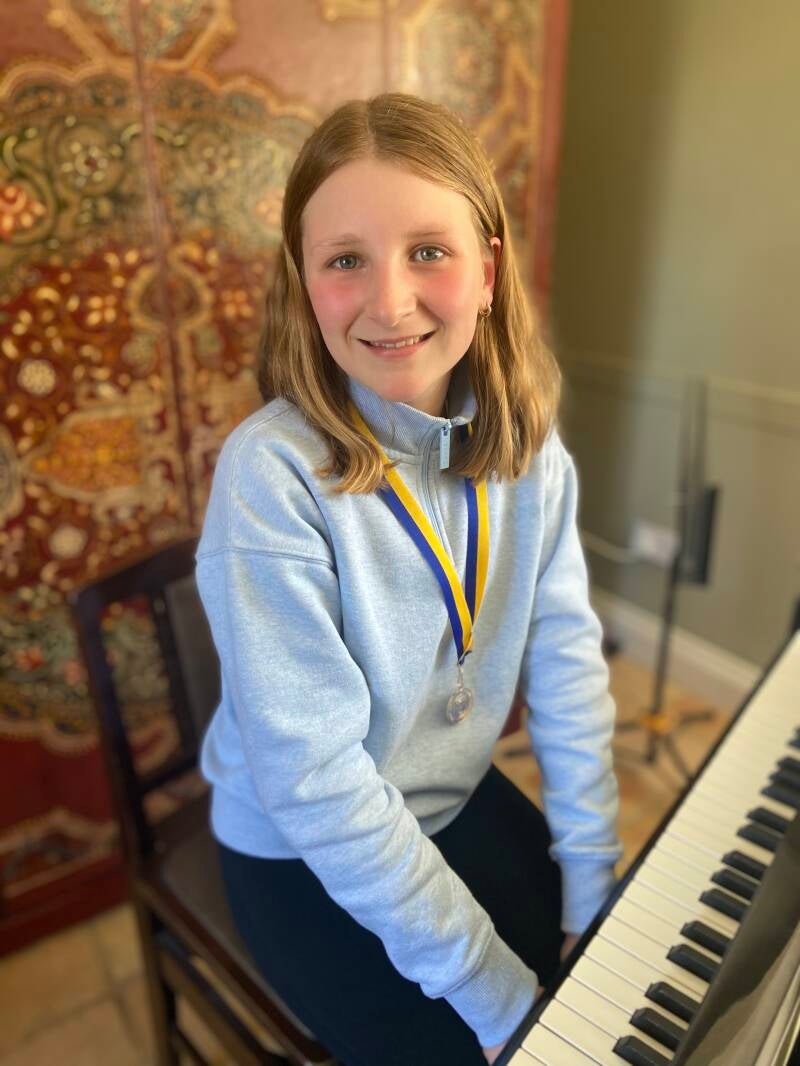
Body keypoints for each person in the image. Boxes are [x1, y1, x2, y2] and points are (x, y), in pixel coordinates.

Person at [196, 92, 621, 1066]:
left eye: (428, 250)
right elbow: (317, 783)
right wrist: (498, 997)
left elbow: (563, 661)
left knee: (605, 985)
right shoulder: (270, 475)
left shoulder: (527, 445)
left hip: (452, 796)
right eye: (345, 259)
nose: (389, 302)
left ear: (488, 270)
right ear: (303, 282)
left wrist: (594, 880)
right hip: (304, 845)